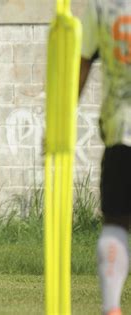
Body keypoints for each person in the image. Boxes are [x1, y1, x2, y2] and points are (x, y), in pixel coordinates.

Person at [79, 2, 131, 314]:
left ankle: (111, 307)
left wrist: (59, 122)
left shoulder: (102, 5)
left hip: (122, 132)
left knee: (116, 223)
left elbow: (81, 65)